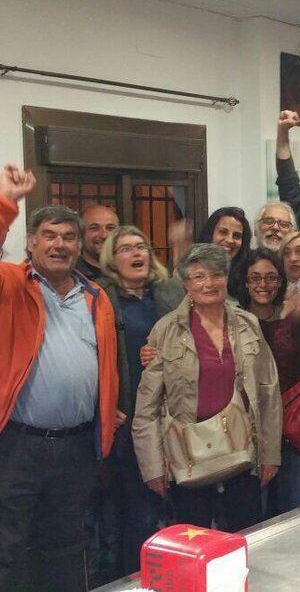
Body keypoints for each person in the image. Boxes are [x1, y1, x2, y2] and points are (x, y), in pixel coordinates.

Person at [0, 165, 120, 592]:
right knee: (3, 554)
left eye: (68, 237)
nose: (59, 245)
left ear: (80, 246)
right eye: (49, 235)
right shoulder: (4, 284)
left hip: (75, 449)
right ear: (30, 242)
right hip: (12, 447)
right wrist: (4, 203)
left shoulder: (96, 297)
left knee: (65, 550)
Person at [133, 244, 282, 531]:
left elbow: (268, 392)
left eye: (216, 275)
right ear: (186, 284)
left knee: (245, 538)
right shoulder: (166, 330)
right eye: (199, 277)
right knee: (195, 541)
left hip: (242, 452)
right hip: (188, 456)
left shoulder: (248, 324)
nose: (208, 284)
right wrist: (152, 467)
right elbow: (147, 408)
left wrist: (270, 455)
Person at [97, 226, 184, 574]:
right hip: (129, 418)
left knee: (172, 505)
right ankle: (134, 578)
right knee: (136, 510)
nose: (137, 254)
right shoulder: (102, 298)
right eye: (127, 248)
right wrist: (103, 404)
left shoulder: (168, 294)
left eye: (142, 247)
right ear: (111, 260)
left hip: (172, 416)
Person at [238, 248, 300, 515]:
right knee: (252, 515)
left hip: (291, 431)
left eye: (271, 278)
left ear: (281, 281)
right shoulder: (233, 321)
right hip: (249, 434)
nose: (263, 285)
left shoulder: (298, 319)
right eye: (255, 278)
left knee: (296, 512)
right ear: (246, 282)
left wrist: (296, 322)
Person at [197, 206, 252, 299]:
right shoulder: (192, 269)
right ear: (210, 234)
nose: (230, 240)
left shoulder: (249, 276)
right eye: (223, 232)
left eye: (237, 236)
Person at [77, 204, 119, 280]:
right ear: (81, 234)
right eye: (94, 228)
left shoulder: (128, 272)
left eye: (110, 228)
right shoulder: (72, 276)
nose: (104, 235)